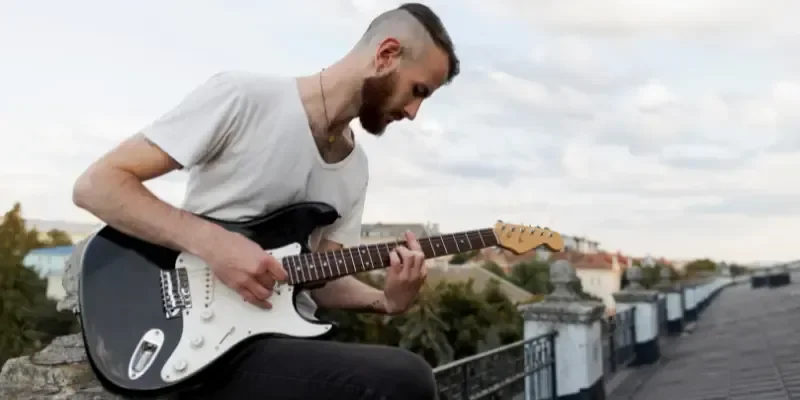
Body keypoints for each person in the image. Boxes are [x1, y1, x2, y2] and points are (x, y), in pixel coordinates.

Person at [65, 2, 460, 399]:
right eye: (418, 91)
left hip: (281, 342)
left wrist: (386, 300)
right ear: (386, 54)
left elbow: (318, 280)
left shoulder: (355, 168)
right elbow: (97, 185)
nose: (413, 112)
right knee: (407, 379)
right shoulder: (244, 98)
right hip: (199, 341)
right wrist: (214, 244)